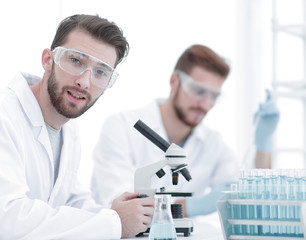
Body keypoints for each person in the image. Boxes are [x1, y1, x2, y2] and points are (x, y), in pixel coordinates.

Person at [0, 14, 154, 239]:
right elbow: (8, 217)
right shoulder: (5, 117)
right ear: (47, 60)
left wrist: (118, 214)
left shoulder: (68, 128)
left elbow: (70, 200)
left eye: (101, 72)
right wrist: (113, 223)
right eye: (75, 61)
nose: (84, 81)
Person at [90, 44, 279, 217]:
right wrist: (191, 206)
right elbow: (123, 205)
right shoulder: (122, 127)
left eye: (214, 96)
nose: (206, 104)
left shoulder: (212, 142)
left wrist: (263, 143)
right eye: (199, 91)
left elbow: (250, 191)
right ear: (174, 81)